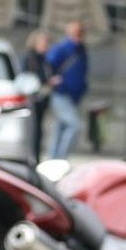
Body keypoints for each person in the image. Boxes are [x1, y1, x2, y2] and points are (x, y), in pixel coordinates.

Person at [42, 19, 91, 160]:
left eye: (80, 33)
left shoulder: (81, 50)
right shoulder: (62, 48)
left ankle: (53, 158)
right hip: (61, 93)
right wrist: (51, 79)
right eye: (76, 33)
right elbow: (48, 65)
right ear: (69, 33)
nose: (79, 36)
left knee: (61, 127)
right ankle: (61, 158)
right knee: (74, 125)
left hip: (74, 96)